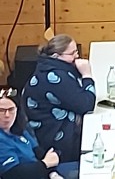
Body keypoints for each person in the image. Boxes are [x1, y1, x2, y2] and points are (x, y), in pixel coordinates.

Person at [22, 35, 96, 164]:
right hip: (54, 139)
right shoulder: (55, 76)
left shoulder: (48, 67)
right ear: (56, 56)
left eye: (76, 52)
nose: (77, 57)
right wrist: (87, 75)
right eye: (72, 54)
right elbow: (86, 104)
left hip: (52, 128)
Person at [0, 91, 66, 179]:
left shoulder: (20, 130)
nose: (7, 115)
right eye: (1, 110)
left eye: (11, 109)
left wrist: (53, 173)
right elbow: (12, 173)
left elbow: (39, 153)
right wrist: (45, 164)